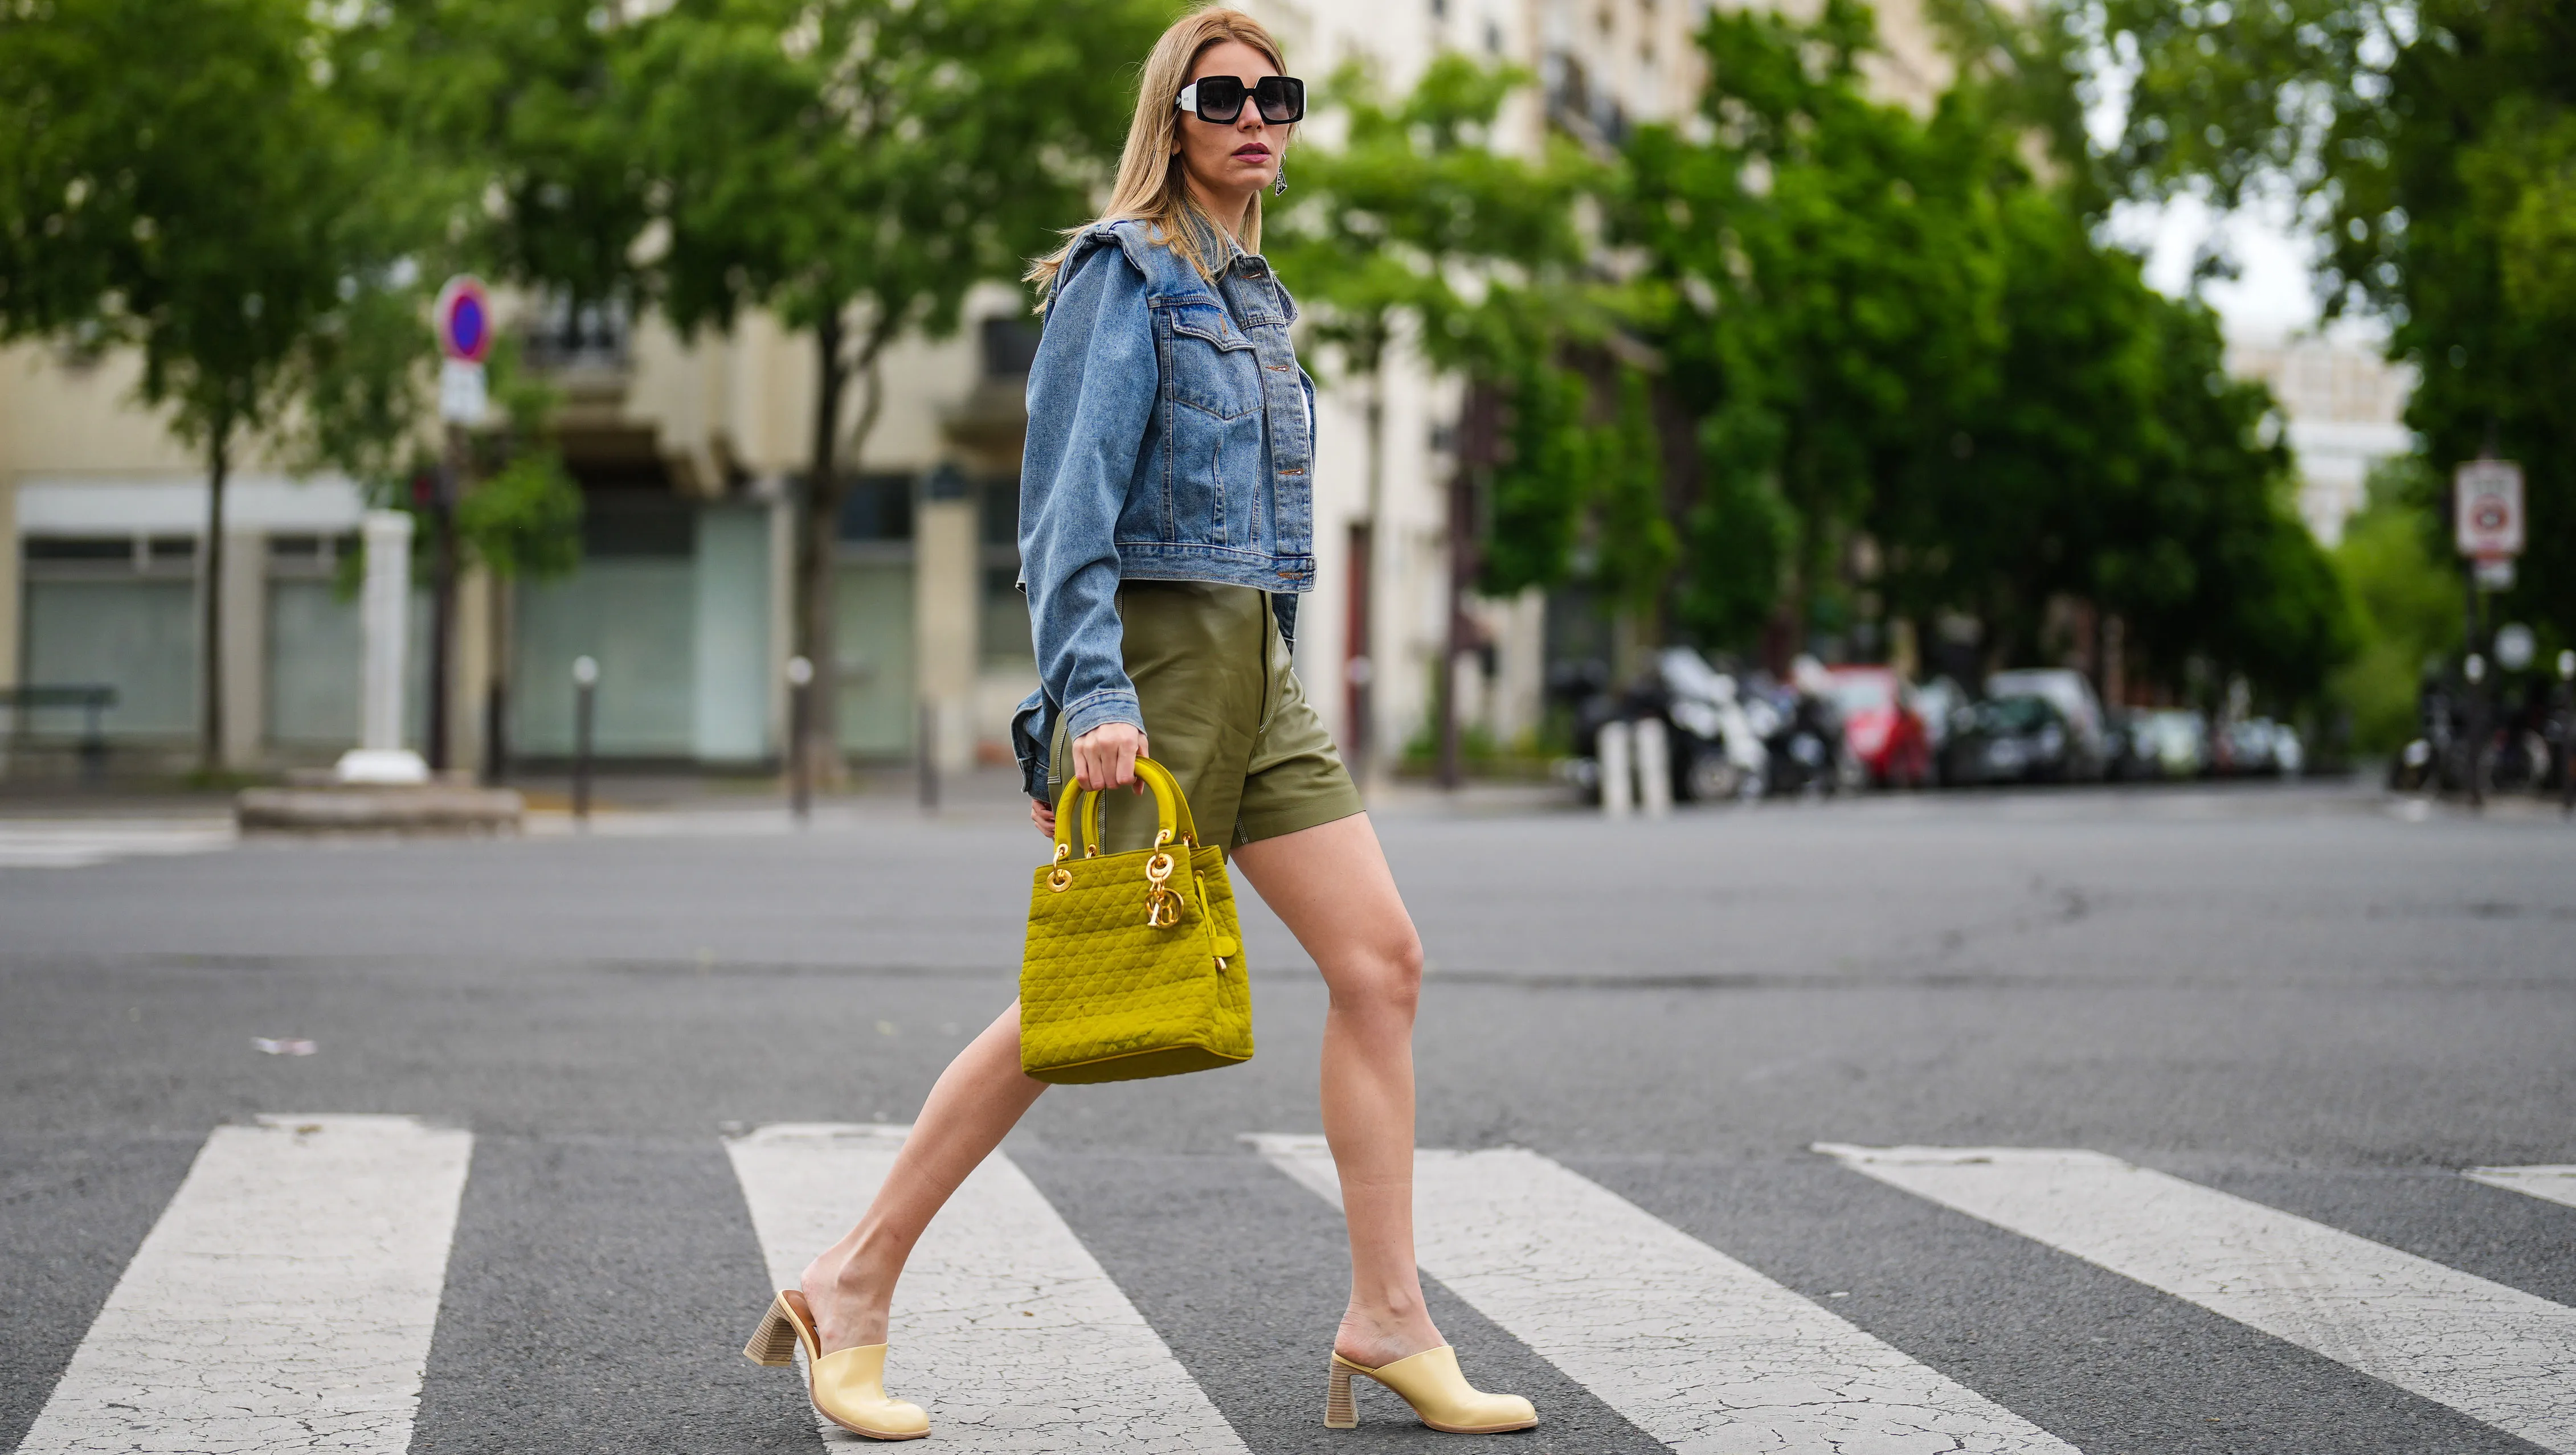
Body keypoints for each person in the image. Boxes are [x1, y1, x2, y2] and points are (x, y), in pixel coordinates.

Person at [740, 6, 1537, 1442]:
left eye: (1273, 94)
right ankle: (846, 1283)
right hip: (1153, 660)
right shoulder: (1124, 276)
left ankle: (1387, 1314)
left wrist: (1268, 672)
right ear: (1171, 118)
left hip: (1255, 658)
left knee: (1381, 960)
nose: (1251, 115)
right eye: (1217, 94)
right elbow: (1061, 514)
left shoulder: (1259, 298)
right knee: (1083, 1002)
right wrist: (1087, 698)